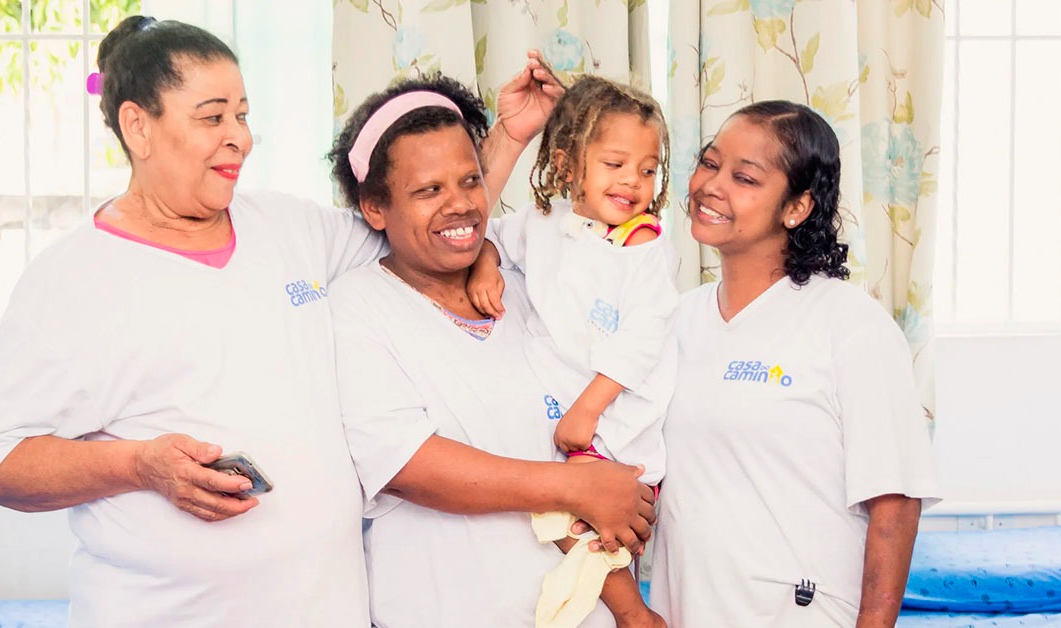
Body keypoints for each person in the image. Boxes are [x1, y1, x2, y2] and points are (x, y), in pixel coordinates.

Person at [0, 15, 565, 626]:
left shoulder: (286, 227)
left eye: (243, 116)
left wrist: (508, 143)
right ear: (138, 126)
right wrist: (139, 465)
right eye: (213, 117)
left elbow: (424, 217)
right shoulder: (73, 278)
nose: (240, 139)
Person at [326, 75, 663, 628]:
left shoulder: (528, 278)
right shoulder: (358, 305)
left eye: (469, 181)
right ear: (374, 207)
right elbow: (409, 465)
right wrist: (579, 487)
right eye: (428, 191)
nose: (459, 205)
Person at [648, 101, 940, 627]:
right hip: (686, 609)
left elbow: (894, 503)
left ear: (796, 208)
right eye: (710, 163)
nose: (712, 185)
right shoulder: (675, 321)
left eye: (745, 177)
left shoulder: (851, 325)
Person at [466, 75, 680, 627]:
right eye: (615, 164)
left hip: (614, 416)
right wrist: (487, 263)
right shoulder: (544, 223)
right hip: (560, 412)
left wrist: (588, 409)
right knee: (556, 517)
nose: (634, 181)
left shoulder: (644, 244)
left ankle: (636, 613)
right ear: (568, 165)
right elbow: (484, 234)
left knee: (581, 517)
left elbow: (644, 337)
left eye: (648, 169)